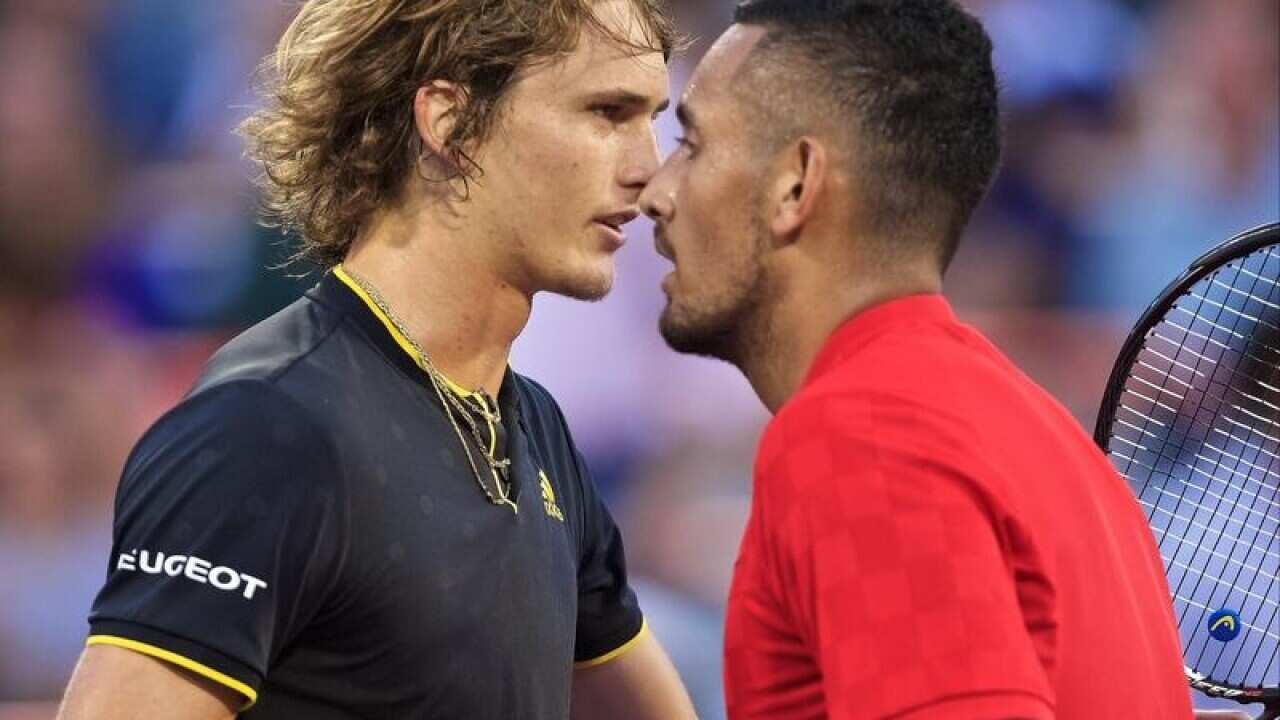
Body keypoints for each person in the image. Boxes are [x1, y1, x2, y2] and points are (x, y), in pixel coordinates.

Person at [57, 1, 696, 718]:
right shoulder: (267, 425)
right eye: (608, 112)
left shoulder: (536, 430)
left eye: (652, 119)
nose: (650, 170)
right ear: (450, 122)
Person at [639, 0, 1193, 717]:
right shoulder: (1044, 438)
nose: (657, 193)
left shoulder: (860, 433)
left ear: (795, 185)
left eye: (694, 145)